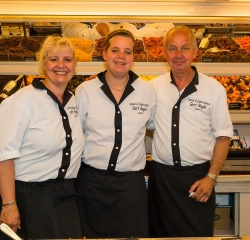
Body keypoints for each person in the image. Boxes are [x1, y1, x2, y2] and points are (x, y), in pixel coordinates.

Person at [0, 36, 85, 239]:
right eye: (54, 59)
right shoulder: (21, 101)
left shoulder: (72, 101)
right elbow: (4, 155)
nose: (61, 65)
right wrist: (9, 204)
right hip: (30, 198)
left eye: (67, 60)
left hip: (65, 195)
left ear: (75, 65)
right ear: (43, 64)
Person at [147, 25, 233, 237]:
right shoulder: (152, 88)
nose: (178, 55)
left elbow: (223, 136)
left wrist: (211, 177)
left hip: (198, 180)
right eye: (173, 49)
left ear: (195, 52)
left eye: (185, 48)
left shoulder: (213, 89)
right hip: (162, 181)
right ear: (164, 53)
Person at [75, 29, 156, 238]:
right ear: (104, 54)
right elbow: (76, 135)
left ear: (133, 57)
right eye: (115, 50)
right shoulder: (85, 90)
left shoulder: (147, 91)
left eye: (127, 52)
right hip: (91, 183)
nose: (121, 56)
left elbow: (158, 127)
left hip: (130, 187)